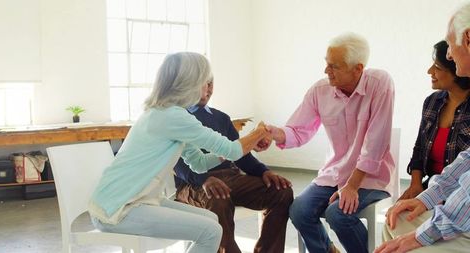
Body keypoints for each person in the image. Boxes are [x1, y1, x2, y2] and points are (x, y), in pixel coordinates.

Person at [87, 52, 270, 253]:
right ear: (190, 83)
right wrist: (260, 132)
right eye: (203, 80)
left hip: (131, 201)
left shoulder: (166, 113)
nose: (207, 87)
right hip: (119, 209)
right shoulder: (172, 116)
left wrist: (233, 149)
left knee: (211, 220)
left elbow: (198, 162)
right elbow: (234, 150)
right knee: (210, 231)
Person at [264, 32, 395, 253]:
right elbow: (298, 130)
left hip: (370, 178)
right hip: (333, 173)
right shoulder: (319, 90)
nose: (326, 71)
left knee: (338, 215)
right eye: (326, 63)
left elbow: (376, 141)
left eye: (334, 66)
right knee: (299, 211)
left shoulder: (380, 84)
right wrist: (275, 133)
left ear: (358, 69)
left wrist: (352, 185)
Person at [375, 4, 470, 253]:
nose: (449, 54)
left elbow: (465, 196)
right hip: (450, 199)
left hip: (462, 211)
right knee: (396, 220)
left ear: (468, 39)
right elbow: (466, 161)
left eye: (450, 45)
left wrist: (422, 235)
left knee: (407, 243)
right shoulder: (434, 102)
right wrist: (424, 195)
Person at [173, 78, 294, 253]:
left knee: (281, 191)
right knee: (218, 197)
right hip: (192, 184)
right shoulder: (177, 117)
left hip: (231, 177)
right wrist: (204, 179)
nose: (208, 89)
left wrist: (264, 171)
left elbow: (239, 154)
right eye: (203, 83)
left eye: (211, 83)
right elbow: (177, 163)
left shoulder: (221, 118)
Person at [399, 40, 470, 201]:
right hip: (430, 187)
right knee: (394, 218)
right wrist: (415, 185)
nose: (430, 71)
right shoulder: (432, 102)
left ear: (457, 71)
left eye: (437, 67)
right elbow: (419, 149)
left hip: (461, 195)